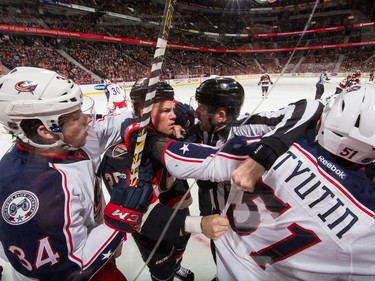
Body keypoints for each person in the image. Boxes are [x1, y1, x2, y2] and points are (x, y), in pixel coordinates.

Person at [221, 85, 375, 280]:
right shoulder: (367, 216)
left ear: (322, 122)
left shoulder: (290, 145)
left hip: (236, 254)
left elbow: (310, 107)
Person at [0, 67, 140, 281]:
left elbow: (113, 125)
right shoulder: (35, 195)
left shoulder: (65, 140)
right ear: (45, 131)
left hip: (93, 246)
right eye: (75, 116)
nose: (86, 120)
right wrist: (118, 218)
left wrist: (135, 123)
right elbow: (71, 269)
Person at [190, 77, 324, 273]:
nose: (196, 112)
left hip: (244, 224)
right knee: (218, 255)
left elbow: (312, 107)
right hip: (212, 216)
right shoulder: (198, 127)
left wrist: (262, 156)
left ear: (220, 115)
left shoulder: (247, 127)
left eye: (201, 108)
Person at [100, 78, 226, 281]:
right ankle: (168, 272)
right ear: (143, 110)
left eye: (172, 108)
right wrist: (200, 224)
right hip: (152, 227)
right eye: (166, 111)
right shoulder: (119, 158)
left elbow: (189, 120)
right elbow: (145, 218)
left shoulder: (169, 128)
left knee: (180, 245)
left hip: (176, 203)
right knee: (162, 269)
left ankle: (176, 265)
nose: (173, 116)